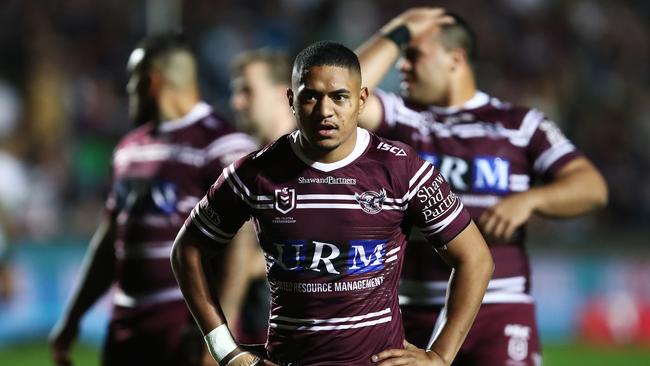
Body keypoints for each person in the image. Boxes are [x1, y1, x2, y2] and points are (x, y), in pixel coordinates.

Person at [171, 40, 494, 366]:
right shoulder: (254, 173)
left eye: (339, 97)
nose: (325, 111)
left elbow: (476, 259)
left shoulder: (401, 168)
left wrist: (440, 354)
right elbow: (188, 250)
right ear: (291, 101)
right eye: (310, 96)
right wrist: (225, 348)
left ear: (362, 100)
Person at [355, 8, 609, 365]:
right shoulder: (402, 119)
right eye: (402, 55)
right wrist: (398, 31)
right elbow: (345, 92)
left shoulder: (518, 124)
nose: (402, 65)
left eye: (414, 55)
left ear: (455, 59)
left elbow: (592, 187)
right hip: (412, 312)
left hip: (499, 309)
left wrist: (531, 200)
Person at [48, 34, 257, 366]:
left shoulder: (223, 145)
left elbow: (240, 248)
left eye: (132, 79)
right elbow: (111, 239)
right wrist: (73, 317)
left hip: (185, 326)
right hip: (125, 329)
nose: (128, 89)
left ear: (151, 80)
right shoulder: (129, 148)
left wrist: (219, 336)